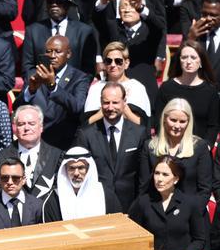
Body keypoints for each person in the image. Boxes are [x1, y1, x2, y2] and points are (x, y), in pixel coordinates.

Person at [130, 158, 206, 250]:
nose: (159, 179)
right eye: (156, 173)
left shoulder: (190, 203)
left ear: (176, 179)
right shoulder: (143, 202)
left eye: (165, 174)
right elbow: (132, 235)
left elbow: (199, 239)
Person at [74, 82, 150, 211]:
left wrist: (139, 206)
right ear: (100, 102)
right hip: (96, 205)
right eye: (106, 102)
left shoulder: (139, 133)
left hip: (130, 206)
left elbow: (143, 176)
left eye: (115, 102)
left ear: (124, 102)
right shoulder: (86, 134)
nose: (110, 107)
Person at [15, 35, 90, 152]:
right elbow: (17, 107)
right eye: (48, 52)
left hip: (64, 143)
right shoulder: (34, 74)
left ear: (68, 54)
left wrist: (53, 86)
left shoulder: (79, 77)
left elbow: (77, 107)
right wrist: (30, 91)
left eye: (57, 51)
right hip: (35, 143)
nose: (52, 56)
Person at [138, 98, 215, 201]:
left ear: (189, 122)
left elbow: (205, 190)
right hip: (156, 210)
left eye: (182, 121)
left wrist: (190, 213)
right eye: (173, 120)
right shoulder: (150, 147)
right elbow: (143, 187)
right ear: (164, 119)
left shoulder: (200, 147)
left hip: (191, 212)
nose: (177, 126)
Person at [0, 104, 62, 199]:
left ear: (41, 127)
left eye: (31, 123)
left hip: (48, 213)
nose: (26, 128)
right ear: (15, 129)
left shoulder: (57, 157)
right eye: (21, 124)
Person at [20, 0, 97, 78]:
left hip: (72, 89)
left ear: (68, 5)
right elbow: (27, 67)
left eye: (59, 2)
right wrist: (41, 84)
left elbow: (88, 70)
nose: (54, 5)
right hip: (40, 87)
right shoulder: (33, 31)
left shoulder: (84, 32)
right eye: (50, 2)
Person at [154, 41, 219, 149]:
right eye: (184, 57)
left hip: (199, 150)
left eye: (193, 57)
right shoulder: (167, 88)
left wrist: (206, 147)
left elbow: (213, 125)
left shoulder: (210, 91)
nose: (188, 61)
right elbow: (158, 120)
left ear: (201, 61)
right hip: (170, 147)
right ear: (179, 60)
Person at [42, 147, 122, 222]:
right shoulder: (54, 200)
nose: (76, 173)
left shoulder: (106, 196)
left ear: (89, 169)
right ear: (65, 170)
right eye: (72, 168)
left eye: (81, 168)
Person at [83, 42, 152, 125]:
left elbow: (144, 126)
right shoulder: (96, 88)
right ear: (104, 64)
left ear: (126, 63)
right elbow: (86, 123)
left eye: (118, 61)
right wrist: (103, 111)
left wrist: (125, 110)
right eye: (108, 61)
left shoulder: (137, 87)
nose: (113, 65)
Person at [0, 158, 43, 231]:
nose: (10, 182)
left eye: (15, 178)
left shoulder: (38, 206)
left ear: (23, 180)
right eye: (5, 178)